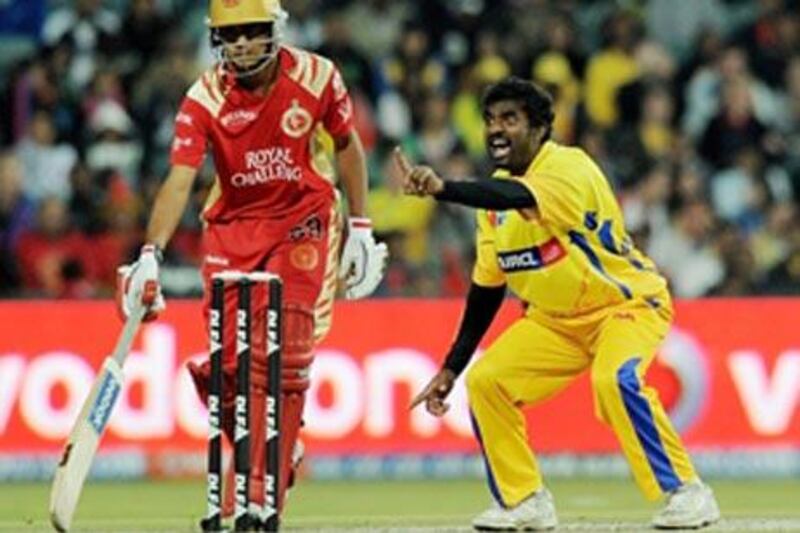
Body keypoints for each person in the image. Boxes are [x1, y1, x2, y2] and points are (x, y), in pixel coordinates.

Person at [397, 77, 720, 531]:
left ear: (540, 128)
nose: (496, 130)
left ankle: (687, 490)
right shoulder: (492, 205)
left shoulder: (569, 167)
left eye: (510, 119)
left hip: (624, 305)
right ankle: (525, 500)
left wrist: (443, 188)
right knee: (488, 381)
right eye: (490, 120)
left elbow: (520, 196)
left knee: (615, 378)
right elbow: (487, 288)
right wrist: (452, 368)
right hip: (556, 324)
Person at [116, 0, 387, 527]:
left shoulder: (316, 76)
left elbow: (347, 146)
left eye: (251, 32)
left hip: (302, 220)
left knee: (282, 355)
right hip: (233, 229)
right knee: (232, 369)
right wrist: (151, 253)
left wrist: (360, 226)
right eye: (230, 35)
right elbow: (179, 177)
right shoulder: (205, 96)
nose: (240, 44)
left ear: (274, 31)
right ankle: (285, 438)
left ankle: (271, 483)